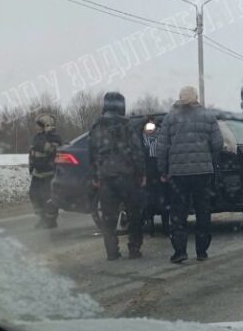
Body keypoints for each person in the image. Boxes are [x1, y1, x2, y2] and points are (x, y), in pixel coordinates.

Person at [157, 86, 223, 263]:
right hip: (203, 172)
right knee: (203, 210)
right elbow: (218, 143)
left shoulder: (170, 117)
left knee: (178, 212)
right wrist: (210, 160)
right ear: (196, 98)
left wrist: (163, 171)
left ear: (179, 98)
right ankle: (202, 251)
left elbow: (161, 147)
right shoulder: (208, 116)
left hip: (178, 174)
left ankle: (180, 251)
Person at [89, 92, 145, 261]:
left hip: (106, 177)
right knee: (134, 214)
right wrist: (141, 172)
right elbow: (136, 151)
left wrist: (94, 175)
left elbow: (91, 153)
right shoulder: (127, 126)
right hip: (127, 176)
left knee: (109, 217)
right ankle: (134, 249)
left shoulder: (97, 127)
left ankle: (112, 252)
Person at [28, 113, 62, 229]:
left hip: (49, 174)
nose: (36, 128)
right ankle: (42, 218)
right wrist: (31, 166)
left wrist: (41, 142)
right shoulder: (37, 136)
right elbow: (33, 152)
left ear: (46, 125)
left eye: (39, 126)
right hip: (37, 173)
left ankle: (51, 221)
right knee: (34, 195)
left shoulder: (54, 136)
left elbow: (51, 150)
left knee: (48, 198)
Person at [140, 117, 166, 235]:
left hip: (160, 172)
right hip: (147, 174)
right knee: (148, 202)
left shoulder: (162, 138)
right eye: (148, 125)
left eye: (152, 125)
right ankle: (151, 227)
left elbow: (165, 154)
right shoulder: (140, 139)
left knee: (164, 201)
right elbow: (139, 158)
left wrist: (164, 172)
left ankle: (166, 226)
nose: (150, 128)